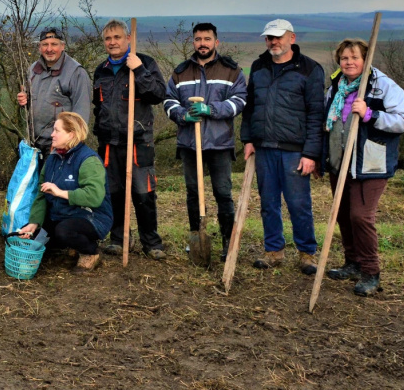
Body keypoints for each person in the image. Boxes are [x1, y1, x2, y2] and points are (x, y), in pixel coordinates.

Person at [322, 39, 404, 296]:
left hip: (371, 163)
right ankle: (353, 263)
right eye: (344, 58)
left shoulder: (382, 86)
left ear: (366, 59)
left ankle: (370, 272)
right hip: (340, 161)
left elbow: (403, 120)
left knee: (360, 216)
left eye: (355, 58)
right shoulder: (336, 86)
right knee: (343, 215)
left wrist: (371, 114)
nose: (349, 63)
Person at [240, 19, 325, 274]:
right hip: (264, 147)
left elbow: (315, 114)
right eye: (269, 38)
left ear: (292, 38)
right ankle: (274, 251)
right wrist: (247, 139)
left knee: (298, 203)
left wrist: (311, 153)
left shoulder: (310, 69)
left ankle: (307, 253)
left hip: (294, 150)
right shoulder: (258, 67)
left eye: (278, 37)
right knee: (268, 203)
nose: (273, 42)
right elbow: (250, 108)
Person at [163, 23, 247, 261]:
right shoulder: (180, 72)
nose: (203, 43)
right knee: (193, 193)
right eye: (198, 39)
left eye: (207, 39)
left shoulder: (231, 71)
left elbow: (239, 101)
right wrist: (182, 114)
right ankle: (196, 238)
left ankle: (227, 242)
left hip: (219, 143)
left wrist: (210, 109)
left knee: (223, 193)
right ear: (193, 42)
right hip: (190, 144)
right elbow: (169, 101)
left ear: (216, 42)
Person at [92, 19, 167, 259]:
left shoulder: (145, 63)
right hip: (108, 142)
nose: (112, 42)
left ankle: (151, 243)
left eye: (117, 37)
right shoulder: (101, 70)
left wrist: (139, 70)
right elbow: (98, 106)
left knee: (143, 193)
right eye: (108, 38)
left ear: (128, 39)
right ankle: (117, 238)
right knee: (113, 192)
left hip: (137, 141)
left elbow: (158, 94)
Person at [17, 112, 113, 274]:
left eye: (56, 130)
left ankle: (91, 252)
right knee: (33, 236)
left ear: (71, 134)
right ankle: (71, 246)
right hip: (60, 214)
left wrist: (61, 192)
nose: (52, 134)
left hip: (91, 217)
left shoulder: (88, 160)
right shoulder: (53, 159)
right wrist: (34, 222)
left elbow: (95, 197)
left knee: (64, 231)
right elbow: (41, 194)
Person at [16, 27, 92, 152]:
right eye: (45, 44)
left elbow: (81, 115)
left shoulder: (76, 73)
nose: (49, 49)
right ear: (39, 48)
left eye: (54, 44)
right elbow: (30, 105)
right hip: (33, 144)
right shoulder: (33, 70)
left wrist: (68, 145)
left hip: (61, 147)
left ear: (62, 46)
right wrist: (24, 100)